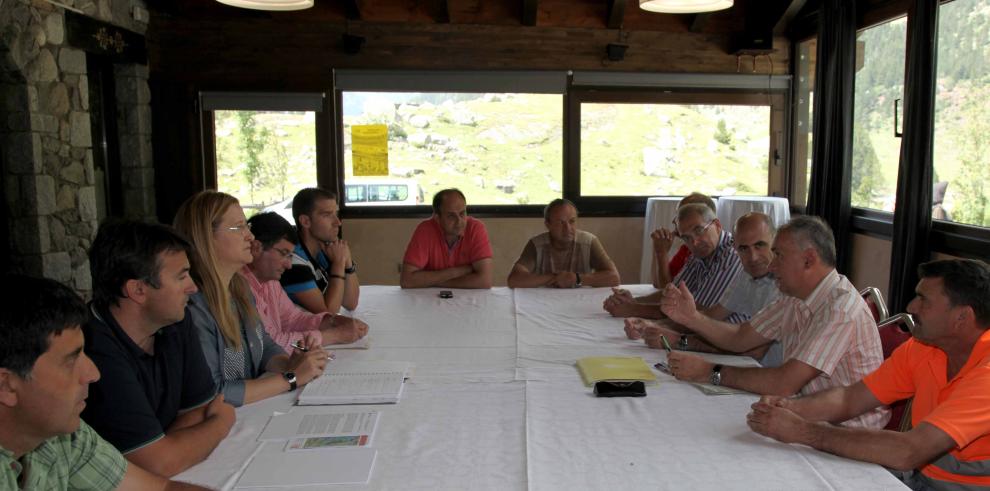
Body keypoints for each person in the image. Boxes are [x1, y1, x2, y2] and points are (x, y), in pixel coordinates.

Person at [748, 259, 990, 490]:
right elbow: (850, 399)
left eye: (923, 300)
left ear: (962, 317)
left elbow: (909, 451)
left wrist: (802, 431)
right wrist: (788, 408)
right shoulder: (924, 347)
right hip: (918, 477)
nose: (911, 307)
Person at [660, 216, 888, 427]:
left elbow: (783, 382)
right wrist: (693, 318)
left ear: (809, 260)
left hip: (846, 434)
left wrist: (708, 371)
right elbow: (740, 337)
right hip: (808, 417)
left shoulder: (841, 309)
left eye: (778, 255)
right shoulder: (795, 298)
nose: (771, 265)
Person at [0, 274, 208, 490]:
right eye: (71, 361)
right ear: (6, 385)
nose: (93, 373)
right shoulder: (57, 426)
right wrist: (220, 421)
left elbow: (161, 488)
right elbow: (159, 466)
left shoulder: (64, 435)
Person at [82, 220, 233, 477]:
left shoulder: (175, 320)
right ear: (138, 290)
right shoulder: (93, 348)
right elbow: (157, 464)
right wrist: (221, 423)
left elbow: (200, 409)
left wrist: (169, 448)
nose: (193, 287)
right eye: (181, 276)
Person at [173, 191, 328, 407]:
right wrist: (291, 378)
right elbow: (213, 392)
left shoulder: (240, 288)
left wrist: (292, 363)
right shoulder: (192, 304)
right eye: (239, 228)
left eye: (248, 227)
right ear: (206, 237)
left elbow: (264, 345)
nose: (250, 236)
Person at [626, 212, 783, 366]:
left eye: (760, 245)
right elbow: (712, 315)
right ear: (735, 247)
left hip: (771, 379)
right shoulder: (748, 275)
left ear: (776, 242)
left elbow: (751, 348)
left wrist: (679, 340)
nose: (753, 257)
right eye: (743, 249)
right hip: (751, 369)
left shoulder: (784, 284)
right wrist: (652, 325)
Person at [243, 212, 369, 352]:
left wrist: (330, 321)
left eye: (290, 256)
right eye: (284, 253)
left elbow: (292, 319)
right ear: (256, 248)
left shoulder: (269, 281)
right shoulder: (240, 289)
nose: (289, 265)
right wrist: (333, 335)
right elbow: (269, 345)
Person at [604, 203, 743, 320]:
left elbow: (701, 312)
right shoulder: (700, 253)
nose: (694, 242)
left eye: (699, 230)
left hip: (734, 344)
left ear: (717, 225)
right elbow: (671, 292)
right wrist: (633, 301)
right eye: (687, 238)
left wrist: (633, 309)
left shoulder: (732, 254)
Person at [507, 198, 620, 288]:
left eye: (572, 221)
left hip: (580, 301)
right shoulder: (536, 245)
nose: (568, 228)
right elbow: (514, 280)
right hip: (544, 302)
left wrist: (577, 279)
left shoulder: (589, 242)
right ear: (548, 224)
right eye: (561, 223)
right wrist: (555, 277)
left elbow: (614, 278)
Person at [280, 188, 360, 314]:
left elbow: (350, 303)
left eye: (336, 214)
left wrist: (347, 262)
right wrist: (339, 263)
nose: (337, 222)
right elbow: (328, 314)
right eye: (327, 215)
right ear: (306, 221)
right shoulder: (292, 262)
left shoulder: (324, 249)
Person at [399, 188, 493, 289]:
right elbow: (407, 281)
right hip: (431, 299)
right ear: (437, 218)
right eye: (451, 216)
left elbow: (484, 281)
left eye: (462, 213)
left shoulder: (475, 228)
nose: (459, 221)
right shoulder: (425, 230)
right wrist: (456, 272)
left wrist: (432, 281)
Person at [650, 192, 718, 289]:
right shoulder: (686, 249)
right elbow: (659, 284)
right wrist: (658, 249)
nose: (677, 221)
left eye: (683, 216)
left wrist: (662, 253)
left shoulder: (704, 249)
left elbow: (667, 290)